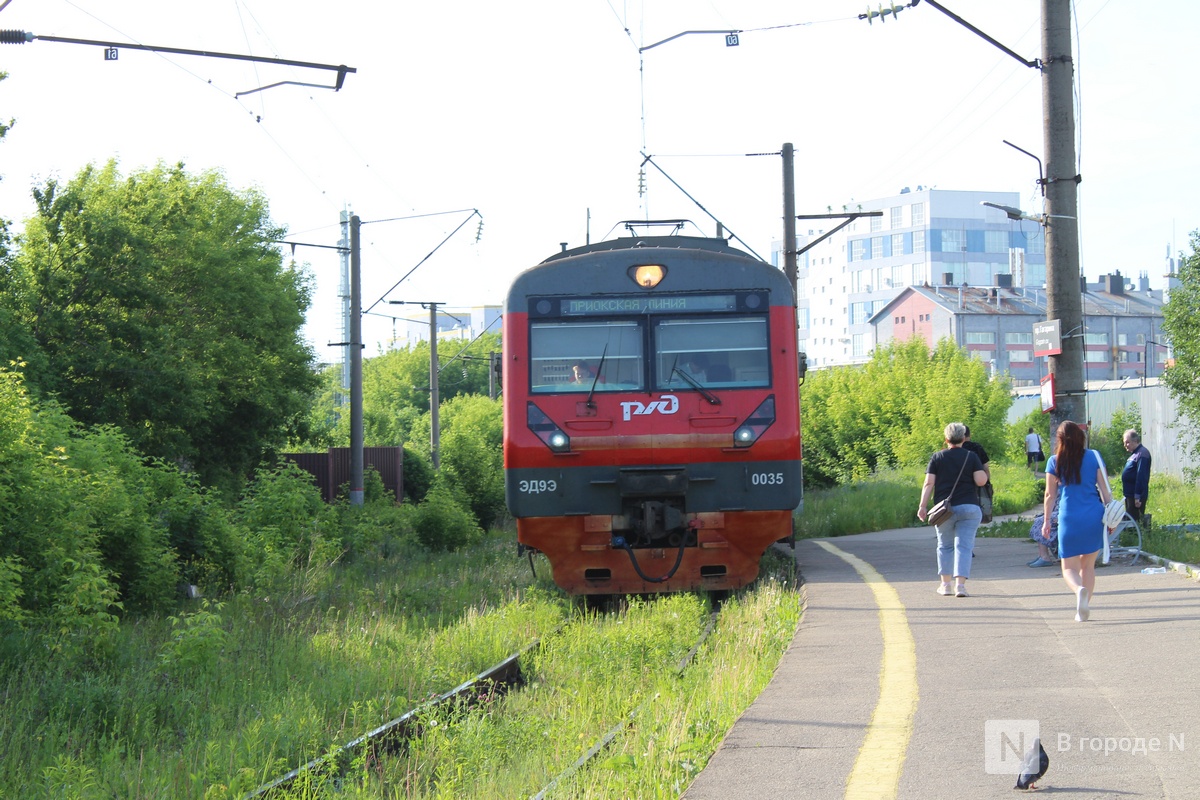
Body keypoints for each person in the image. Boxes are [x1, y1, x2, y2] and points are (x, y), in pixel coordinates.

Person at [1043, 420, 1115, 622]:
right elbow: (1105, 491)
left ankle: (1078, 590)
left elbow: (1050, 494)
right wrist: (1111, 519)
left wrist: (1047, 520)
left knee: (1068, 568)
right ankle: (1083, 607)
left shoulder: (1054, 461)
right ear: (1080, 437)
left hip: (1069, 518)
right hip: (1094, 516)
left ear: (1059, 440)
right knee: (1088, 566)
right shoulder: (1094, 456)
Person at [917, 422, 989, 597]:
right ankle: (961, 587)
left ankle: (945, 585)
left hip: (944, 510)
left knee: (944, 546)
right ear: (963, 438)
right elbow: (981, 481)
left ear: (946, 439)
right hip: (969, 507)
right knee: (964, 547)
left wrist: (923, 506)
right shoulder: (971, 457)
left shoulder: (937, 457)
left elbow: (928, 483)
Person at [962, 425, 993, 523]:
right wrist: (986, 483)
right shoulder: (977, 447)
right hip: (977, 483)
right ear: (969, 434)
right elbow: (986, 468)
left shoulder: (955, 449)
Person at [1120, 429, 1152, 522]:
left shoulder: (1142, 454)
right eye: (1124, 442)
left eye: (1127, 442)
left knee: (1133, 523)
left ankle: (1136, 536)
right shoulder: (1135, 454)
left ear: (1135, 441)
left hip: (1135, 497)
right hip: (1130, 495)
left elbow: (1141, 476)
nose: (1125, 445)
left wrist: (1137, 496)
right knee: (1130, 521)